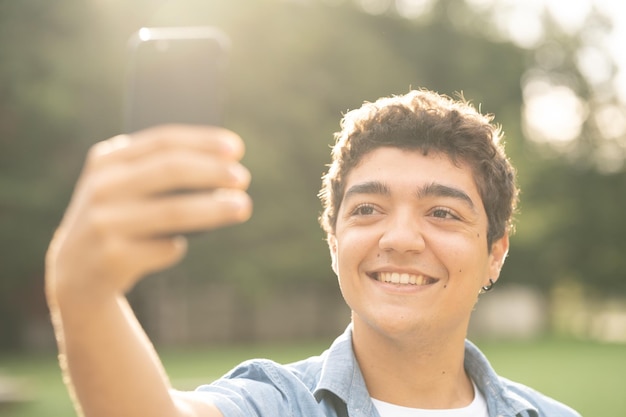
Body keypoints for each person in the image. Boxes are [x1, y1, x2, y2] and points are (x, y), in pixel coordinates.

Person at [45, 89, 581, 417]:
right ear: (334, 241)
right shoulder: (275, 403)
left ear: (495, 254)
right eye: (368, 209)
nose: (398, 238)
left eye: (441, 213)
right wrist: (83, 293)